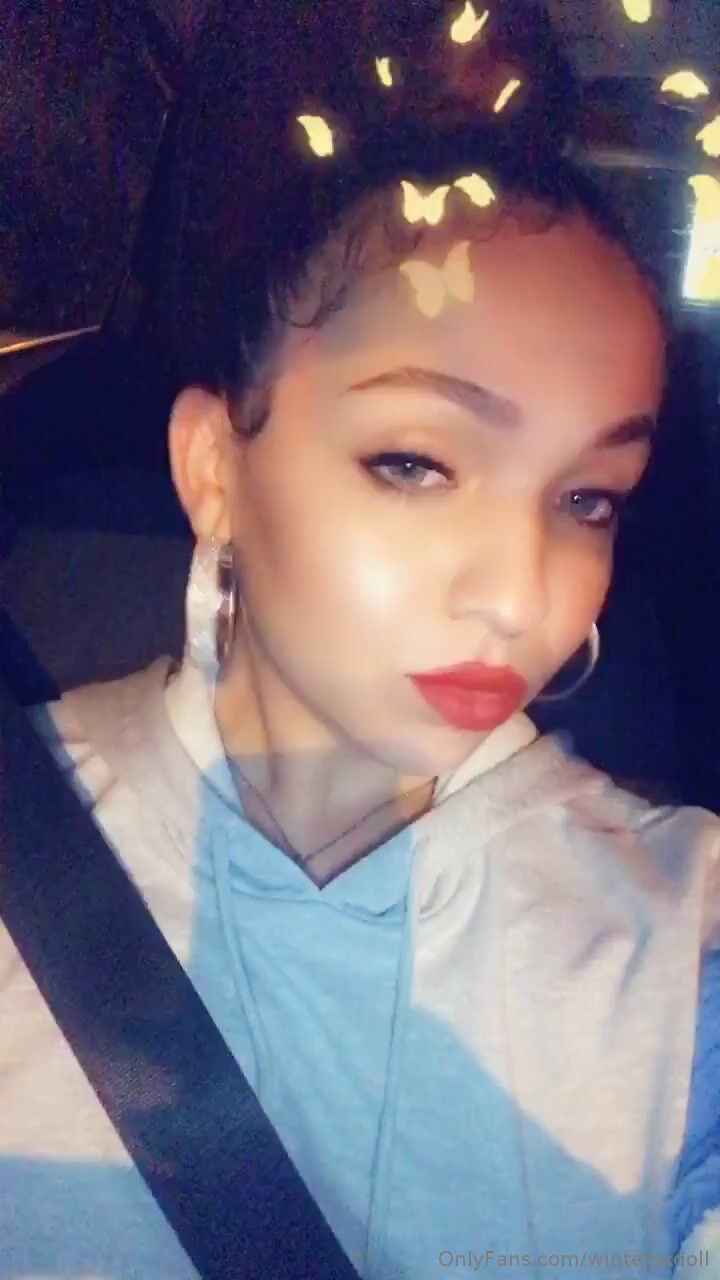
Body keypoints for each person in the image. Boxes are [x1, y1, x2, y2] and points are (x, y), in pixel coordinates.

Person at [1, 51, 719, 1280]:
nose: (521, 592)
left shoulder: (680, 937)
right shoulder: (29, 832)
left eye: (588, 497)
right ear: (214, 469)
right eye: (415, 463)